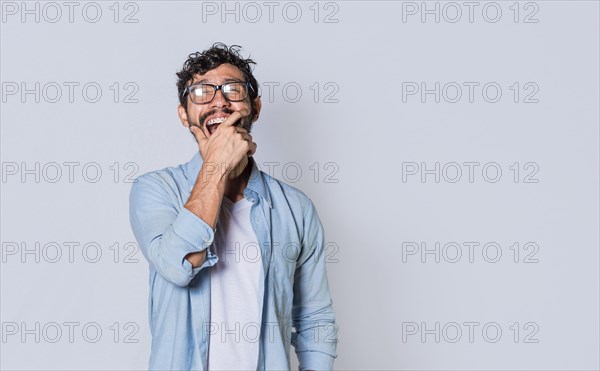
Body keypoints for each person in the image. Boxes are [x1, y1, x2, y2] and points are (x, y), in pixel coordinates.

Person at [129, 42, 338, 370]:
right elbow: (177, 265)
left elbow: (315, 320)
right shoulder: (155, 190)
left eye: (232, 89)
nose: (219, 101)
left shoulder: (295, 209)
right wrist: (215, 167)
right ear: (184, 114)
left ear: (255, 107)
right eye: (201, 93)